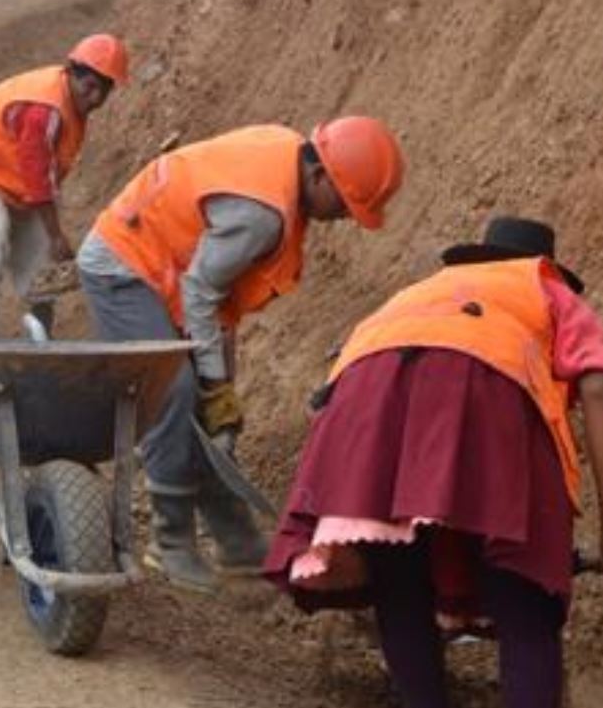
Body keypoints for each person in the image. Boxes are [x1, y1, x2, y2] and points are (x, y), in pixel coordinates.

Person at [263, 216, 603, 708]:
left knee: (398, 573)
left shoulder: (419, 293)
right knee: (526, 590)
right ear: (546, 265)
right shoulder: (548, 291)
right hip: (483, 394)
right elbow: (601, 386)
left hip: (366, 400)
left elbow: (330, 392)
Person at [79, 118, 406, 592]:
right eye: (345, 203)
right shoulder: (263, 214)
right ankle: (169, 541)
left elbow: (219, 302)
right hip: (123, 263)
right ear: (320, 177)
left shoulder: (285, 155)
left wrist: (222, 392)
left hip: (164, 267)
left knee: (205, 407)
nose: (345, 218)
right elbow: (200, 293)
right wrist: (213, 387)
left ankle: (234, 540)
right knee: (173, 388)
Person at [0, 34, 129, 338]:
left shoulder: (71, 102)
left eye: (103, 91)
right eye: (90, 87)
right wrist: (57, 234)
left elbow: (45, 174)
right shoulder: (45, 109)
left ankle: (41, 332)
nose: (94, 98)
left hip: (15, 177)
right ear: (71, 73)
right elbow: (37, 176)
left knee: (38, 251)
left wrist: (50, 234)